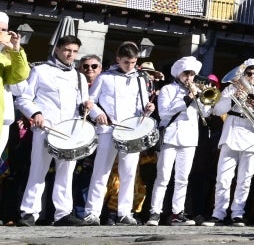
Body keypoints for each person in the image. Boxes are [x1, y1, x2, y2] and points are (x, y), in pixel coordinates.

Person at [15, 34, 98, 226]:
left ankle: (62, 213)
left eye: (75, 51)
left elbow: (83, 103)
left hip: (70, 131)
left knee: (67, 172)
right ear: (57, 49)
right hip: (46, 128)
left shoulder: (79, 76)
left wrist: (86, 106)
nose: (71, 55)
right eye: (67, 50)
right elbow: (24, 98)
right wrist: (35, 113)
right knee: (38, 170)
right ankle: (29, 212)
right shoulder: (40, 70)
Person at [85, 42, 155, 226]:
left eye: (133, 62)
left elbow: (143, 105)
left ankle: (124, 212)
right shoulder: (105, 77)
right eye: (126, 62)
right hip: (108, 129)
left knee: (129, 173)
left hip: (131, 131)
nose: (130, 66)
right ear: (118, 59)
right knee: (101, 171)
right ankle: (92, 213)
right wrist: (98, 113)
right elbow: (90, 101)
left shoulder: (140, 79)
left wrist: (148, 108)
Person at [207, 59, 254, 226]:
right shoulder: (232, 88)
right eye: (249, 74)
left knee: (245, 179)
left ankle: (237, 213)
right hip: (232, 134)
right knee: (223, 177)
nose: (253, 77)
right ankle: (218, 213)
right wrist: (233, 100)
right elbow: (217, 109)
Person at [147, 55, 206, 226]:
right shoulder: (167, 90)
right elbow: (164, 112)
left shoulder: (196, 90)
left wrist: (201, 99)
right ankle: (155, 213)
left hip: (189, 139)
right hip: (170, 137)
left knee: (182, 178)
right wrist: (186, 99)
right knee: (163, 177)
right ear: (179, 73)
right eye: (186, 73)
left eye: (192, 74)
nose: (189, 77)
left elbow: (207, 114)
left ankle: (177, 213)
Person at [0, 15, 31, 168]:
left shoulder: (8, 55)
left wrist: (16, 50)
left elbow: (20, 83)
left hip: (3, 120)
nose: (1, 33)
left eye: (4, 29)